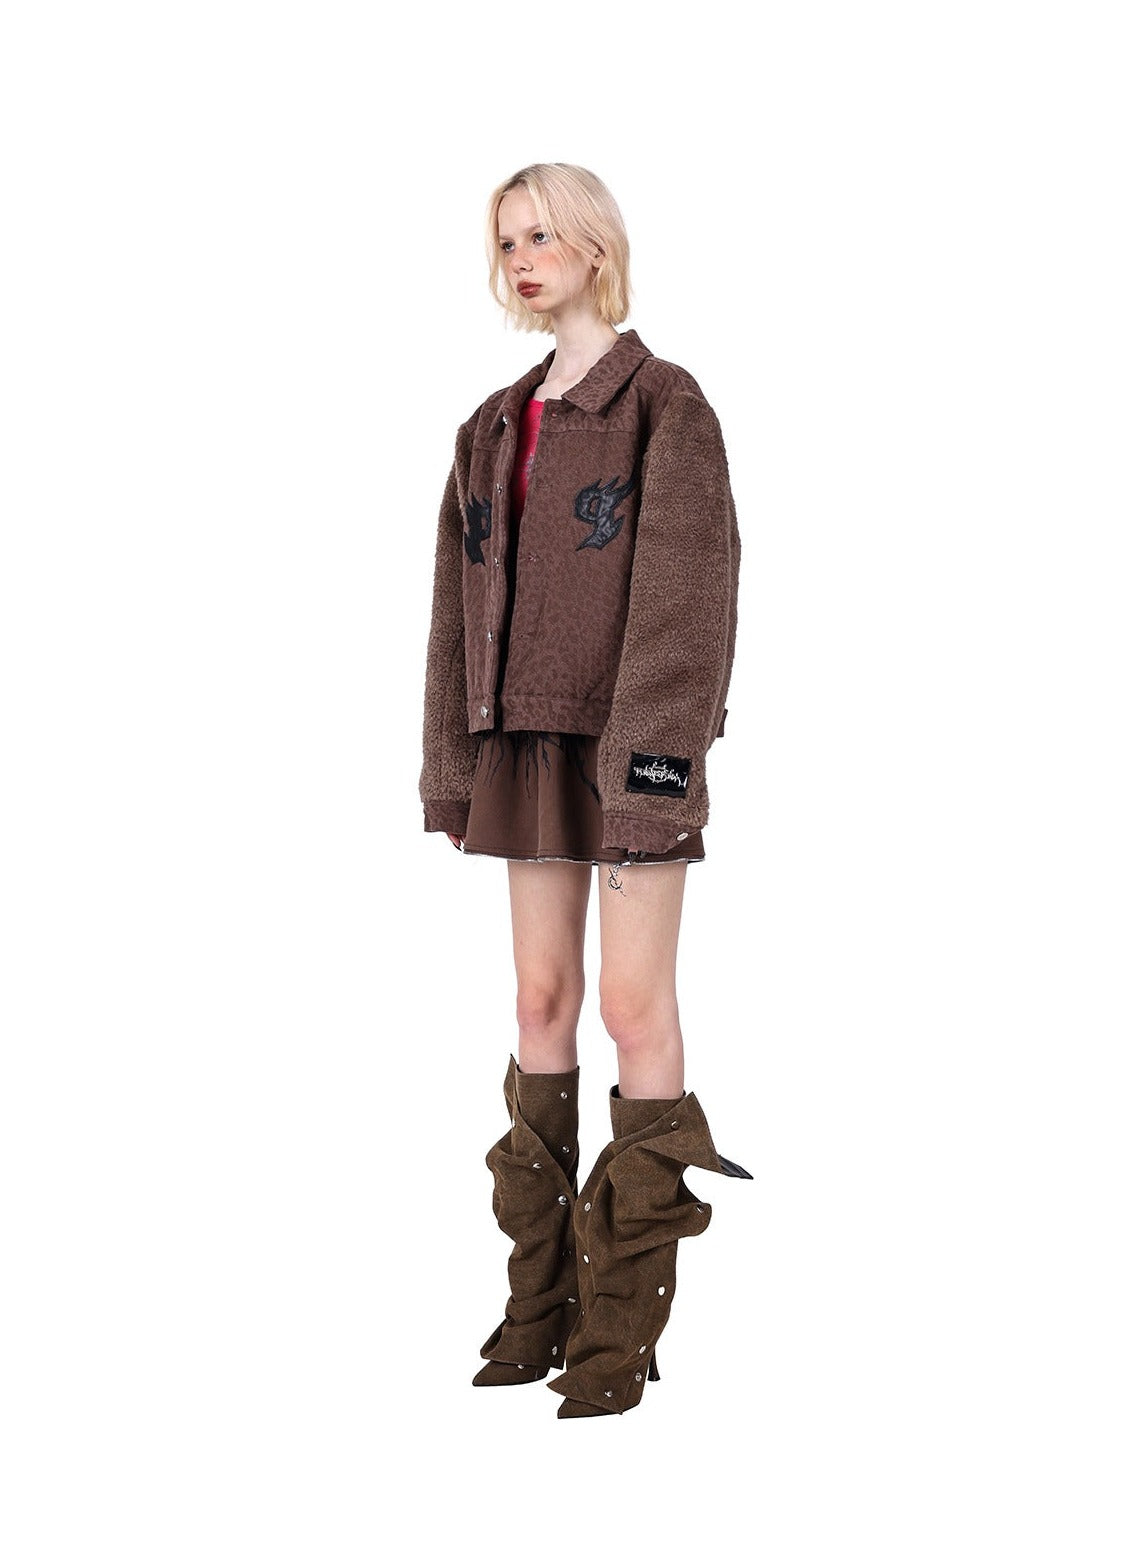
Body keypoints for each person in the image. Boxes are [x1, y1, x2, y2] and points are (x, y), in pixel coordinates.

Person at [419, 163, 751, 1418]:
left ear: (597, 247)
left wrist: (655, 766)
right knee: (539, 999)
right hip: (523, 742)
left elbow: (691, 603)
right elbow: (453, 608)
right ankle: (539, 1300)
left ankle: (621, 1326)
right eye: (508, 240)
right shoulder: (491, 425)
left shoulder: (666, 405)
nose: (522, 258)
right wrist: (454, 759)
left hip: (628, 744)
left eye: (543, 235)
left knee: (629, 1002)